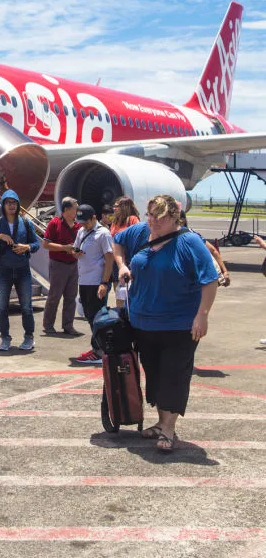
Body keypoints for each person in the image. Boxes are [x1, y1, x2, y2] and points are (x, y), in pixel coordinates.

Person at [114, 194, 219, 452]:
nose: (153, 221)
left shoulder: (189, 242)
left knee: (175, 375)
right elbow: (117, 242)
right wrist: (121, 266)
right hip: (143, 322)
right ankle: (162, 423)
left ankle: (169, 429)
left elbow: (210, 279)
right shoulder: (141, 231)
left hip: (179, 324)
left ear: (174, 218)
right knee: (156, 376)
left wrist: (202, 315)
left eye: (160, 217)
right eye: (150, 215)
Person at [0, 190, 41, 351]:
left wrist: (26, 246)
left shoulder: (26, 223)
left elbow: (36, 244)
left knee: (26, 306)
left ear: (18, 205)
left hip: (23, 270)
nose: (12, 205)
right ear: (4, 206)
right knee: (1, 306)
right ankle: (5, 338)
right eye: (8, 203)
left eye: (14, 203)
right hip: (4, 270)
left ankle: (29, 337)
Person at [71, 204, 115, 365]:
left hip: (96, 281)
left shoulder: (103, 233)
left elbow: (109, 258)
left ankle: (100, 351)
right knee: (89, 315)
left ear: (94, 218)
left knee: (98, 317)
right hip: (84, 280)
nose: (83, 224)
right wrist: (75, 253)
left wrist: (104, 282)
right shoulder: (81, 231)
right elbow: (74, 250)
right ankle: (99, 348)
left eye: (86, 221)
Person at [41, 197, 80, 335]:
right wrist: (64, 248)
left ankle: (68, 325)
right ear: (67, 210)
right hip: (58, 264)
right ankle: (48, 325)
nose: (77, 211)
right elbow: (45, 244)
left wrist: (76, 252)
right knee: (54, 296)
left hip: (73, 264)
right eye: (75, 208)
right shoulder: (54, 223)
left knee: (71, 296)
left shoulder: (78, 226)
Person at [179, 210, 230, 287]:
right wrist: (225, 272)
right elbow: (213, 250)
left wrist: (225, 272)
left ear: (182, 220)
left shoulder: (190, 235)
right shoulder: (192, 233)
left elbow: (212, 250)